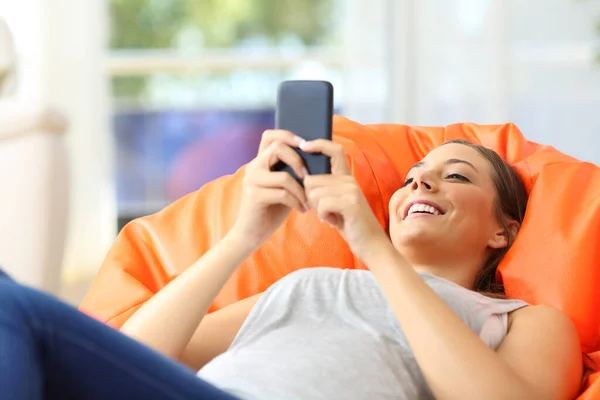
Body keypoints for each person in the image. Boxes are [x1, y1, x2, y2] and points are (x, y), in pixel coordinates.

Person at [0, 130, 583, 400]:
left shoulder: (520, 320)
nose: (420, 180)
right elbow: (133, 359)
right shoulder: (307, 284)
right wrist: (241, 238)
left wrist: (375, 248)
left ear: (504, 229)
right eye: (410, 178)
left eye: (455, 175)